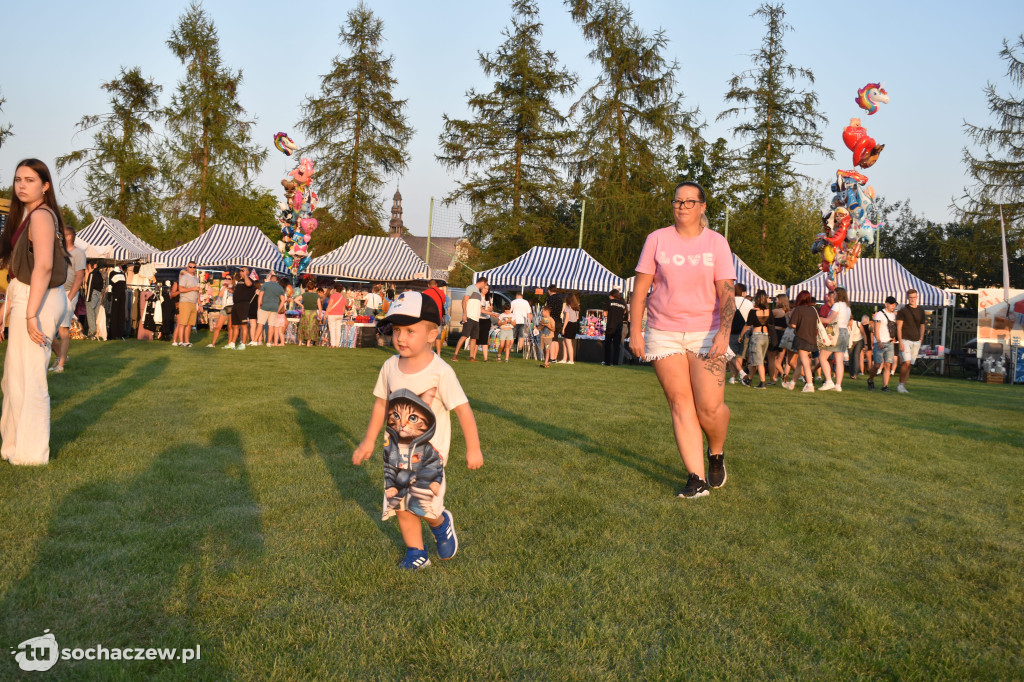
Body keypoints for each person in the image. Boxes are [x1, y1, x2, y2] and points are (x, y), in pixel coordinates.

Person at [352, 288, 483, 570]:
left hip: (428, 460)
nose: (400, 337)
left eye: (411, 331)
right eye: (397, 330)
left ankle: (440, 523)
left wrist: (473, 449)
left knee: (425, 506)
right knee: (399, 505)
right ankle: (416, 553)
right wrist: (367, 442)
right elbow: (380, 406)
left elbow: (463, 409)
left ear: (432, 334)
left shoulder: (441, 371)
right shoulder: (389, 366)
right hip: (393, 456)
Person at [629, 181, 737, 499]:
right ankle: (697, 478)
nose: (682, 207)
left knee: (710, 408)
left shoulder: (716, 243)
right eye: (678, 201)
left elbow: (727, 295)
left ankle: (716, 453)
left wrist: (724, 333)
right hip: (664, 332)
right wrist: (636, 330)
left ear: (702, 207)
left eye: (690, 202)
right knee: (680, 403)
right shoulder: (657, 240)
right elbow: (640, 292)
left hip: (707, 332)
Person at [0, 158, 71, 466]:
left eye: (29, 180)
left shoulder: (41, 216)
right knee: (14, 377)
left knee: (29, 377)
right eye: (18, 180)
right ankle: (13, 445)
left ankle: (30, 454)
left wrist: (30, 314)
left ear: (45, 186)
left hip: (37, 297)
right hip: (26, 293)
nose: (21, 185)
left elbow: (43, 266)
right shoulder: (28, 215)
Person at [50, 225, 86, 373]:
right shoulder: (59, 252)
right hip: (55, 291)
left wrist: (70, 297)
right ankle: (60, 355)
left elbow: (79, 276)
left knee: (63, 330)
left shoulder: (78, 253)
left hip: (68, 293)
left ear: (69, 237)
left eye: (62, 235)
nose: (59, 237)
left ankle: (60, 365)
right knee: (47, 329)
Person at [782, 291, 818, 393]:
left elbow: (793, 325)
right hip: (812, 338)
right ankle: (792, 384)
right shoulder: (813, 309)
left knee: (805, 363)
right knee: (799, 363)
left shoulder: (798, 309)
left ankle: (810, 385)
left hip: (801, 338)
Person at [817, 287, 852, 391]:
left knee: (822, 357)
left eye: (834, 294)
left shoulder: (837, 305)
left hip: (835, 333)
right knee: (839, 360)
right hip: (844, 333)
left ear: (838, 294)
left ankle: (828, 381)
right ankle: (838, 385)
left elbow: (829, 320)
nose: (833, 296)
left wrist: (817, 318)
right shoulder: (847, 307)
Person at [896, 288, 926, 394]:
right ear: (908, 298)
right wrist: (900, 341)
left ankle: (903, 385)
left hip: (916, 340)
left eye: (914, 297)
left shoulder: (921, 310)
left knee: (910, 364)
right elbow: (898, 327)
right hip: (905, 339)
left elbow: (922, 325)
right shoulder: (903, 310)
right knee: (906, 362)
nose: (912, 299)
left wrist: (921, 338)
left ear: (917, 297)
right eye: (910, 298)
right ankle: (900, 384)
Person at [740, 289, 772, 389]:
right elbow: (771, 324)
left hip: (756, 336)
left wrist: (741, 336)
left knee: (759, 362)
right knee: (757, 360)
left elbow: (747, 324)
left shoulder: (753, 311)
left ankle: (762, 383)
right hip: (765, 336)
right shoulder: (768, 311)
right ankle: (748, 380)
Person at [452, 277, 485, 362]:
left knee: (474, 338)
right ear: (483, 282)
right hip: (469, 316)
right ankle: (455, 355)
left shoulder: (478, 292)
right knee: (464, 336)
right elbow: (464, 300)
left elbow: (480, 309)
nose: (485, 286)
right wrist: (465, 314)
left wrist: (492, 313)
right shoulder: (471, 288)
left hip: (476, 319)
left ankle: (471, 357)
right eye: (485, 284)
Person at [727, 283, 753, 384]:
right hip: (745, 330)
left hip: (731, 330)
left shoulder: (729, 301)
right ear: (743, 292)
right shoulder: (748, 303)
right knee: (740, 355)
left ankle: (734, 376)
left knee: (731, 354)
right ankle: (738, 376)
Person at [873, 296, 899, 392]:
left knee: (888, 364)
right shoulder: (879, 315)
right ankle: (871, 379)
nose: (893, 306)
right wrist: (879, 341)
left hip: (889, 342)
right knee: (877, 365)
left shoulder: (894, 315)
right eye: (892, 304)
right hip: (880, 342)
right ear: (886, 304)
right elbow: (876, 329)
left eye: (894, 304)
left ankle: (885, 386)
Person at [172, 262, 200, 347]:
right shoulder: (184, 277)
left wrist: (200, 303)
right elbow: (181, 289)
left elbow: (197, 292)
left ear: (196, 268)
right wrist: (193, 288)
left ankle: (187, 341)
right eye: (190, 267)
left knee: (190, 324)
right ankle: (181, 341)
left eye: (194, 267)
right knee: (182, 323)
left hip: (193, 302)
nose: (192, 268)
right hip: (185, 302)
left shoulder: (196, 278)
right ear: (187, 267)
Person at [256, 271, 285, 346]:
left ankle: (255, 341)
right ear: (276, 281)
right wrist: (278, 309)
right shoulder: (280, 288)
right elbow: (283, 300)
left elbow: (260, 295)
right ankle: (269, 342)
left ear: (270, 279)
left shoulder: (265, 284)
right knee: (271, 325)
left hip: (265, 306)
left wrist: (259, 305)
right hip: (274, 308)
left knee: (260, 324)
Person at [228, 268, 254, 350]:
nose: (241, 272)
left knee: (243, 325)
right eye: (241, 270)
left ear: (247, 272)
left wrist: (245, 275)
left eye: (243, 270)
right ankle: (232, 343)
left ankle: (243, 344)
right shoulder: (239, 281)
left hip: (243, 305)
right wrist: (232, 291)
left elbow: (249, 284)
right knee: (234, 325)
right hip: (236, 304)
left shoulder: (249, 280)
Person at [770, 293, 792, 383]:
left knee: (773, 357)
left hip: (776, 334)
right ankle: (780, 375)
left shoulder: (775, 311)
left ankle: (778, 376)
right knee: (780, 358)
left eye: (777, 299)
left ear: (780, 301)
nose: (775, 301)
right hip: (785, 334)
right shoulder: (789, 312)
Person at [603, 288, 627, 366]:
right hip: (619, 326)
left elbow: (605, 314)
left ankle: (607, 362)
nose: (609, 297)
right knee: (617, 345)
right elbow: (624, 314)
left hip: (610, 325)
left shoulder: (609, 302)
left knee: (608, 344)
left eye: (610, 295)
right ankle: (615, 362)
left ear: (612, 295)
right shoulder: (623, 304)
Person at [207, 274, 233, 347]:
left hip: (232, 307)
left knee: (230, 327)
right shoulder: (223, 286)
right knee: (218, 326)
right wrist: (224, 286)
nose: (227, 280)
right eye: (226, 278)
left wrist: (230, 288)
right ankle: (213, 343)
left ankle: (229, 343)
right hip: (224, 307)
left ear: (232, 280)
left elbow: (233, 293)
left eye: (229, 278)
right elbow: (220, 295)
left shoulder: (234, 286)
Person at [84, 262, 104, 340]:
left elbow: (90, 286)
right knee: (94, 313)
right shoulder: (100, 275)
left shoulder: (92, 274)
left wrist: (87, 298)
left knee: (90, 312)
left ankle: (92, 331)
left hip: (93, 293)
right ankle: (92, 332)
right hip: (98, 293)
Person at [297, 279, 320, 346]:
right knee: (311, 327)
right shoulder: (316, 296)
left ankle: (300, 342)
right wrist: (320, 314)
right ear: (313, 288)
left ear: (307, 287)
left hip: (305, 312)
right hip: (313, 312)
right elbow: (319, 306)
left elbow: (296, 299)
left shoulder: (304, 295)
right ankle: (308, 343)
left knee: (303, 326)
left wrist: (302, 305)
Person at [545, 284, 565, 362]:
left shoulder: (550, 299)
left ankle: (552, 357)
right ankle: (555, 357)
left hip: (552, 320)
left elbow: (548, 311)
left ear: (549, 290)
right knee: (556, 339)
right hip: (558, 320)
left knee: (552, 339)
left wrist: (545, 321)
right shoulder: (560, 299)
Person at [560, 291, 580, 364]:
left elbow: (567, 318)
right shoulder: (576, 307)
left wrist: (563, 328)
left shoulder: (568, 307)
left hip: (569, 324)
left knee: (568, 342)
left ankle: (571, 360)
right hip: (574, 325)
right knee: (564, 342)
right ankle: (564, 359)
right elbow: (577, 318)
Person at [326, 283, 348, 348]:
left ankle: (332, 344)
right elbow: (344, 308)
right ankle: (337, 344)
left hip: (332, 314)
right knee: (338, 330)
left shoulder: (333, 296)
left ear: (335, 289)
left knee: (332, 329)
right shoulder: (343, 297)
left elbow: (330, 305)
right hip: (340, 314)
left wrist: (326, 313)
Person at [860, 314, 876, 389]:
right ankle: (869, 370)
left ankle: (862, 371)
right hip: (868, 343)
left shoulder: (860, 326)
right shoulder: (869, 326)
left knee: (861, 358)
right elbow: (872, 335)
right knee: (869, 359)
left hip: (861, 342)